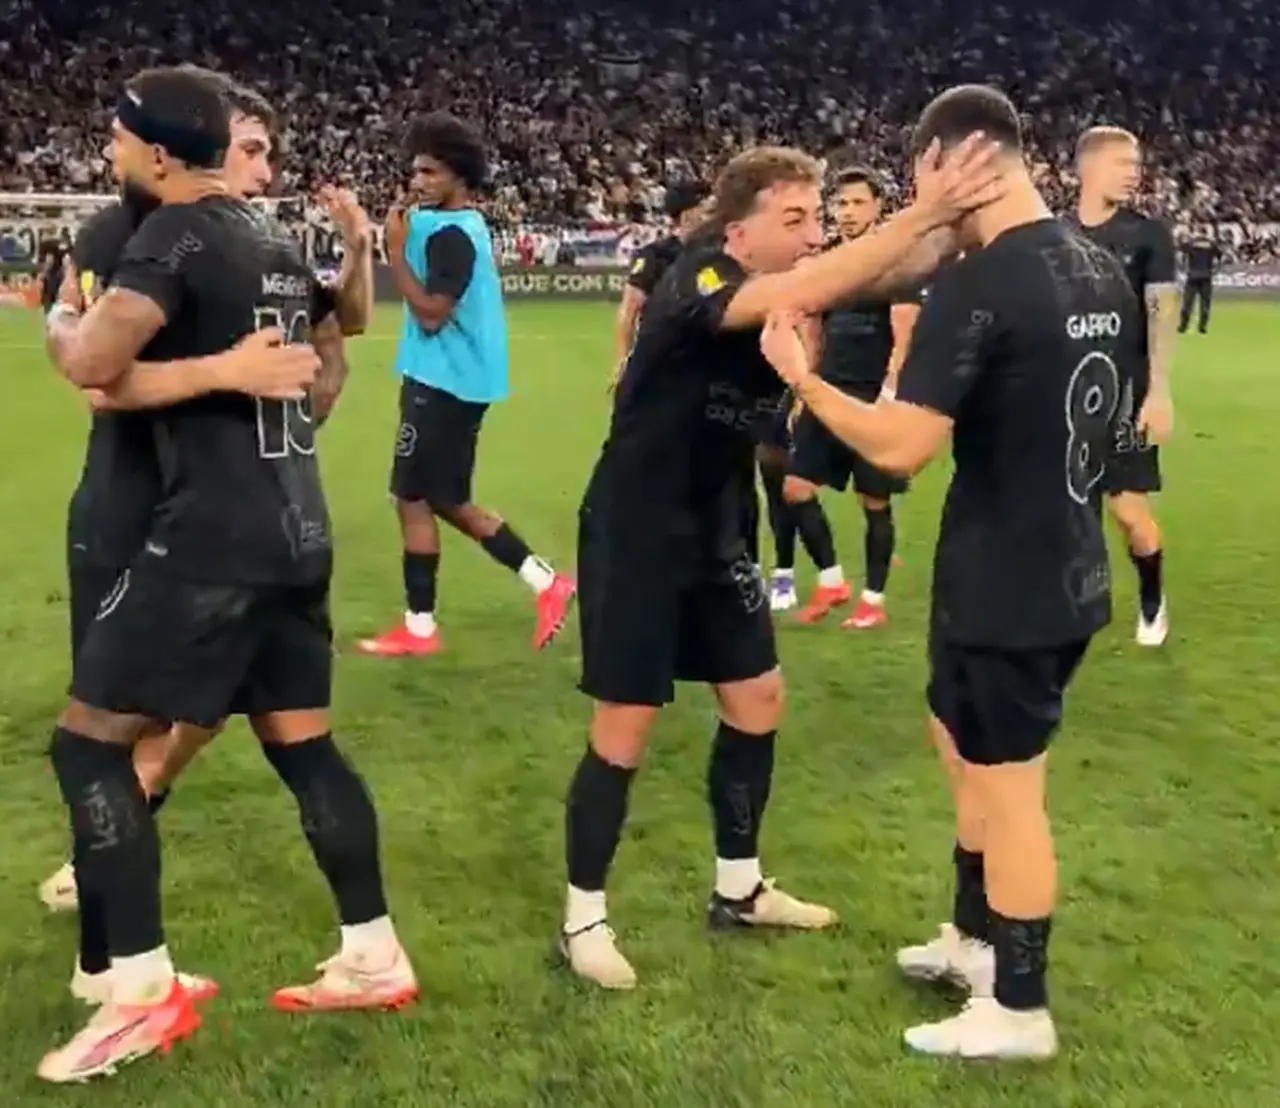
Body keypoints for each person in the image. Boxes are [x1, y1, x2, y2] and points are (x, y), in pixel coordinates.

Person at [39, 66, 416, 1083]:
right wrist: (241, 384)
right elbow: (322, 377)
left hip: (209, 536)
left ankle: (136, 991)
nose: (110, 147)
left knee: (89, 747)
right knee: (305, 746)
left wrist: (58, 323)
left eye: (120, 135)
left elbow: (92, 366)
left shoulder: (171, 231)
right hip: (297, 525)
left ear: (159, 153)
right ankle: (373, 952)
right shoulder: (271, 238)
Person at [560, 137, 1004, 990]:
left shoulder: (785, 280)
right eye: (795, 218)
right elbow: (811, 284)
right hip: (638, 528)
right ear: (739, 230)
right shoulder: (697, 276)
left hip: (718, 524)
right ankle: (582, 918)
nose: (813, 234)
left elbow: (883, 271)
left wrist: (964, 221)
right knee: (625, 723)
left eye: (816, 217)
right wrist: (928, 208)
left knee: (758, 698)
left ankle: (739, 890)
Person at [759, 84, 1140, 1060]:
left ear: (943, 161)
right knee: (960, 746)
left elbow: (898, 448)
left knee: (1010, 796)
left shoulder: (983, 285)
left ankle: (1019, 1006)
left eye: (917, 176)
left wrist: (801, 380)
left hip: (1009, 584)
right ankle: (971, 942)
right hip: (1062, 566)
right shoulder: (1098, 268)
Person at [360, 112, 575, 657]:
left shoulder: (453, 235)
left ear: (459, 176)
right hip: (452, 379)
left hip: (444, 382)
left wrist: (392, 254)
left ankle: (423, 628)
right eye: (415, 170)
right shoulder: (448, 222)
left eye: (429, 172)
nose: (418, 181)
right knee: (442, 498)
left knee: (413, 496)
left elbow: (433, 314)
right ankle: (544, 582)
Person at [779, 166, 922, 626]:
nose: (847, 211)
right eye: (840, 203)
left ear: (878, 207)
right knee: (795, 488)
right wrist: (805, 387)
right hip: (827, 391)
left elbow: (904, 339)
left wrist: (889, 395)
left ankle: (872, 602)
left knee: (873, 500)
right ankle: (831, 581)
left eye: (858, 202)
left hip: (871, 398)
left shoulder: (895, 264)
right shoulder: (830, 264)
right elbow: (814, 332)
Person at [1067, 125, 1178, 647]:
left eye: (1137, 164)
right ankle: (1075, 599)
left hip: (1126, 395)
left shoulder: (1148, 235)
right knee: (1066, 509)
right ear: (1086, 167)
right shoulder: (1055, 235)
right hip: (1066, 392)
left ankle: (1152, 599)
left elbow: (1162, 311)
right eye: (1122, 163)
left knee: (1128, 511)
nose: (1134, 173)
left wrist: (1159, 390)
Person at [614, 182, 709, 376]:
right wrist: (624, 362)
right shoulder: (656, 256)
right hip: (664, 364)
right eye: (707, 212)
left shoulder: (718, 254)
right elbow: (629, 310)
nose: (714, 219)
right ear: (687, 216)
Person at [1178, 224, 1219, 333]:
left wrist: (1189, 236)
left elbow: (1181, 248)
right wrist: (1214, 269)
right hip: (1206, 276)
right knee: (1205, 303)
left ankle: (1183, 326)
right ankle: (1202, 327)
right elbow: (1219, 255)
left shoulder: (1191, 243)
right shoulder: (1211, 244)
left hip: (1193, 275)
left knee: (1187, 303)